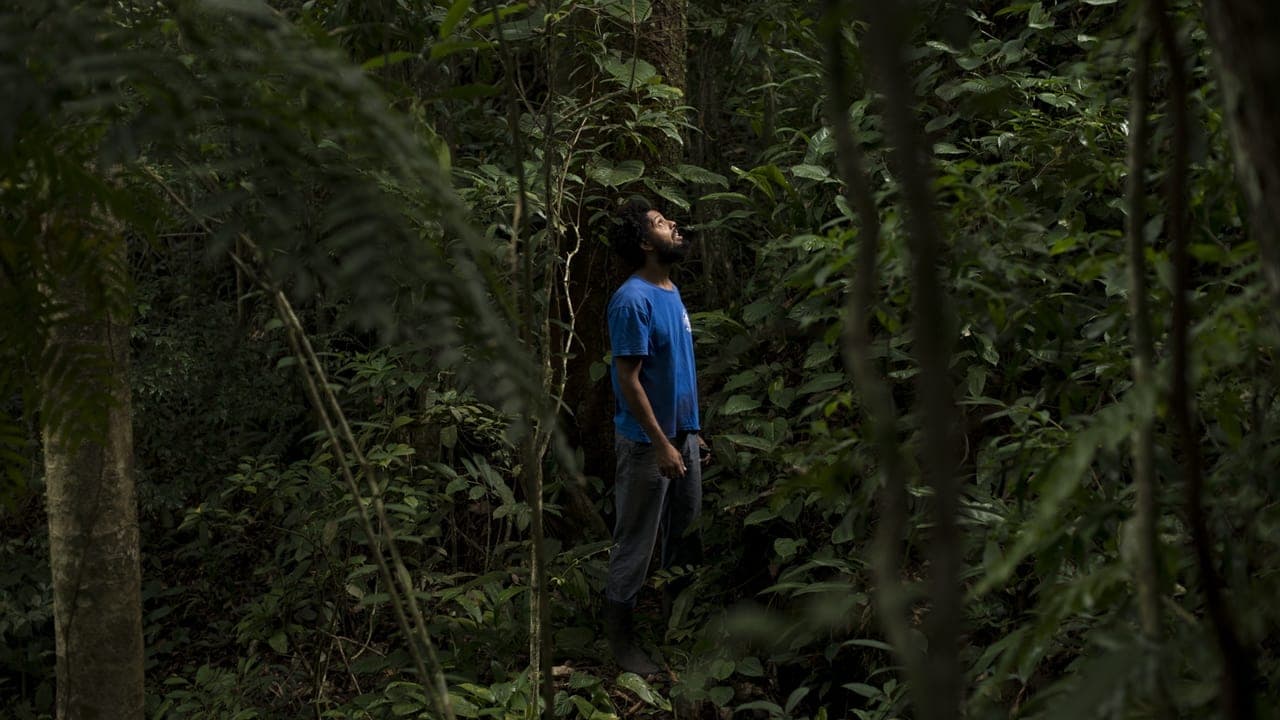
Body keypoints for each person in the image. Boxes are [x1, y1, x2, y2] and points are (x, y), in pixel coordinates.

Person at [603, 197, 708, 675]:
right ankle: (621, 645)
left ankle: (679, 631)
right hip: (649, 445)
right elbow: (628, 380)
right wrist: (662, 443)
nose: (675, 227)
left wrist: (690, 433)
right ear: (646, 242)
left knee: (684, 536)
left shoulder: (670, 290)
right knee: (636, 544)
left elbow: (676, 371)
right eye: (664, 224)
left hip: (681, 438)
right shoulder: (633, 299)